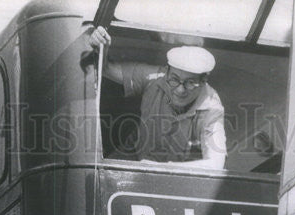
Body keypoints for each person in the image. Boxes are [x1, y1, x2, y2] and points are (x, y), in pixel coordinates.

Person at [88, 25, 227, 169]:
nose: (180, 89)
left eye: (190, 83)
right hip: (134, 152)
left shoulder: (211, 108)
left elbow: (216, 164)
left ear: (203, 81)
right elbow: (106, 69)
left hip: (177, 176)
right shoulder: (155, 77)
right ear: (166, 72)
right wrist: (100, 46)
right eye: (174, 79)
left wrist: (159, 168)